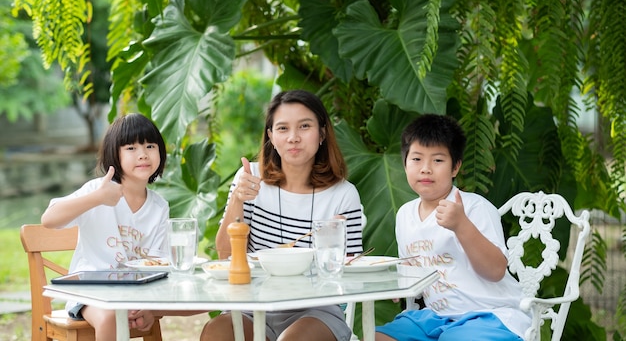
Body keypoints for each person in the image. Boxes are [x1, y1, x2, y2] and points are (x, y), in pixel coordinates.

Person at [200, 89, 364, 341]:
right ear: (271, 137)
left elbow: (352, 277)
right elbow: (225, 254)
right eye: (283, 129)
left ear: (321, 133)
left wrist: (332, 241)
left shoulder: (343, 195)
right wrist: (238, 199)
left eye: (304, 126)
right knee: (217, 332)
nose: (293, 138)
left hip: (315, 310)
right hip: (251, 306)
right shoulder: (250, 179)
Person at [374, 114, 531, 341]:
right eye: (416, 159)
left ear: (455, 167)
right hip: (434, 317)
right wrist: (402, 277)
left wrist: (461, 225)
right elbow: (416, 271)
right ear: (405, 164)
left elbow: (496, 271)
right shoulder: (405, 215)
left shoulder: (475, 208)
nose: (426, 169)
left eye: (438, 161)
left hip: (489, 315)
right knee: (380, 337)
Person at [41, 113, 169, 341]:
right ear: (115, 154)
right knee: (111, 315)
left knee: (170, 307)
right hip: (90, 293)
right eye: (131, 148)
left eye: (150, 146)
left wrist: (148, 307)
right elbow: (49, 219)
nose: (143, 154)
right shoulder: (97, 191)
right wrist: (98, 198)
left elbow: (159, 265)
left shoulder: (159, 207)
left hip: (136, 295)